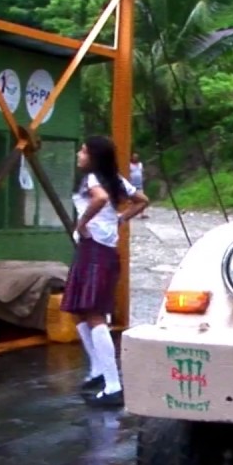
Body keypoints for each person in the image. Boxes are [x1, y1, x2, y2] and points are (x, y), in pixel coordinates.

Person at [64, 136, 150, 407]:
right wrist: (122, 218)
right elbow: (142, 199)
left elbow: (100, 199)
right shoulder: (114, 179)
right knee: (80, 310)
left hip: (94, 249)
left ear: (93, 156)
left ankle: (112, 384)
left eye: (84, 150)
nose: (79, 154)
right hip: (100, 249)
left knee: (93, 313)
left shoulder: (93, 180)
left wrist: (82, 222)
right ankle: (99, 370)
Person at [128, 153, 147, 218]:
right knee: (131, 200)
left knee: (142, 198)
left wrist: (143, 178)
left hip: (140, 184)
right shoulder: (129, 165)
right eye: (134, 157)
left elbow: (142, 171)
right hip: (132, 184)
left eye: (136, 157)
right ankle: (130, 213)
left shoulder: (140, 164)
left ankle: (142, 214)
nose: (135, 158)